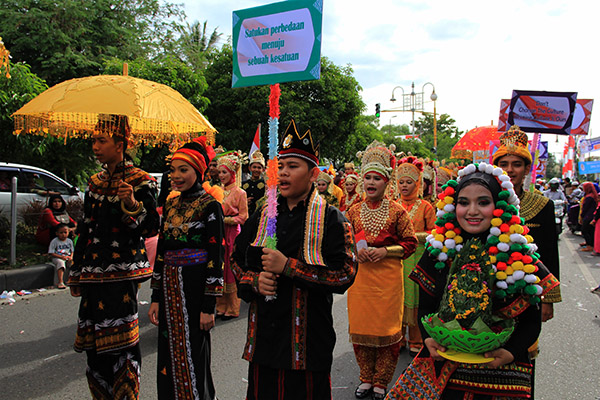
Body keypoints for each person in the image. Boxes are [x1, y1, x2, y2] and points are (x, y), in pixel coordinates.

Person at [387, 162, 561, 399]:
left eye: (483, 202)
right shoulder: (440, 250)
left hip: (502, 371)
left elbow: (532, 322)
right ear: (453, 205)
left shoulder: (517, 256)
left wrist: (510, 352)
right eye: (463, 202)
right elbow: (425, 308)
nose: (472, 211)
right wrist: (428, 339)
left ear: (499, 206)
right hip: (447, 366)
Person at [230, 119, 357, 400]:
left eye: (293, 166)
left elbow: (345, 273)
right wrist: (254, 280)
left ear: (313, 174)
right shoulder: (264, 215)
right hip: (264, 340)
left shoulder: (332, 219)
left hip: (307, 344)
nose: (284, 173)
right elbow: (236, 260)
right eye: (281, 166)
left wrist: (289, 267)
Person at [67, 114, 159, 399]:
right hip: (92, 275)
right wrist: (76, 271)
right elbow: (86, 228)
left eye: (102, 140)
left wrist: (130, 203)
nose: (95, 146)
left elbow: (150, 227)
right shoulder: (95, 183)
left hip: (122, 276)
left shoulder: (141, 181)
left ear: (120, 145)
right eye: (94, 140)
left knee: (121, 347)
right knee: (94, 348)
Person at [148, 137, 224, 400]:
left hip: (195, 287)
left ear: (199, 171)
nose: (176, 176)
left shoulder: (211, 206)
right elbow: (162, 251)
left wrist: (209, 306)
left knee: (195, 351)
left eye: (184, 170)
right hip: (168, 287)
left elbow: (216, 256)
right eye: (173, 170)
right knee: (168, 350)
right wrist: (155, 296)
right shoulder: (170, 204)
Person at [346, 141, 418, 400]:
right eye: (368, 178)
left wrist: (386, 251)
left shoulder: (398, 212)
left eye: (377, 178)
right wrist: (355, 252)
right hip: (361, 279)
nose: (371, 182)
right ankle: (366, 377)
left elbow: (411, 243)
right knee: (361, 328)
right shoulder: (353, 211)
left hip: (388, 280)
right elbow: (345, 241)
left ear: (387, 182)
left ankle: (381, 381)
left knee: (387, 331)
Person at [492, 125, 561, 323]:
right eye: (504, 164)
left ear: (527, 169)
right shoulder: (485, 203)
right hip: (491, 290)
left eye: (516, 164)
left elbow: (550, 254)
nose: (510, 170)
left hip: (529, 292)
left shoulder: (543, 205)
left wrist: (549, 298)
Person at [396, 156, 436, 356]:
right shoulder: (393, 205)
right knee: (398, 296)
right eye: (401, 182)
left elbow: (435, 233)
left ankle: (416, 338)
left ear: (418, 183)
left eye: (409, 182)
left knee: (416, 298)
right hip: (397, 258)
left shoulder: (426, 207)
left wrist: (412, 237)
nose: (404, 186)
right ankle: (398, 337)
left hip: (418, 258)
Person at [216, 151, 248, 320]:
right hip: (219, 233)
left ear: (232, 173)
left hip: (232, 234)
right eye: (220, 172)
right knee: (219, 267)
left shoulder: (240, 193)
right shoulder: (216, 191)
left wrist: (226, 220)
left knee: (230, 268)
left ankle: (233, 308)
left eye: (224, 172)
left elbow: (243, 217)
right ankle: (220, 306)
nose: (221, 175)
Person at [48, 223, 74, 289]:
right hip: (57, 257)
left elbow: (72, 251)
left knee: (73, 263)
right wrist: (61, 257)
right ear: (57, 233)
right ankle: (60, 282)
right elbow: (51, 253)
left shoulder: (69, 241)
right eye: (61, 233)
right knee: (61, 263)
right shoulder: (54, 241)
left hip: (67, 257)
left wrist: (71, 257)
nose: (63, 234)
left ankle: (71, 279)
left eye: (65, 232)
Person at [242, 150, 266, 217]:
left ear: (263, 169)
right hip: (246, 215)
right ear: (249, 168)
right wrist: (244, 202)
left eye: (259, 168)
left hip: (260, 216)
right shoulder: (243, 184)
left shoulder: (266, 185)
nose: (256, 170)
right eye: (254, 167)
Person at [579, 182, 598, 252]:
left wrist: (581, 216)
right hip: (592, 215)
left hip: (588, 216)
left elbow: (585, 208)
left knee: (584, 230)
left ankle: (589, 245)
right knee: (590, 231)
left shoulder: (589, 197)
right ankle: (590, 244)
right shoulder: (593, 195)